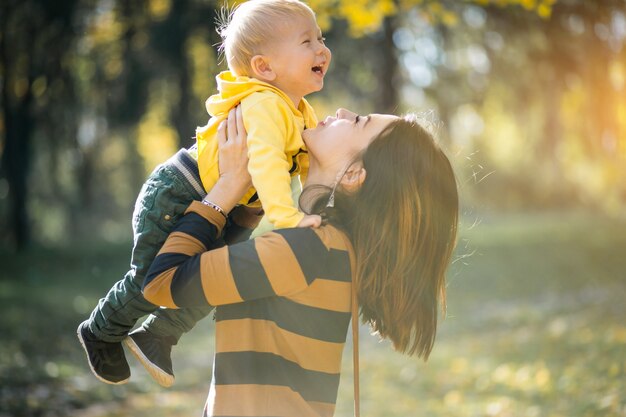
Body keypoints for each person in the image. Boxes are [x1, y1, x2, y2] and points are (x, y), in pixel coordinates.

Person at [142, 106, 459, 417]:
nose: (343, 111)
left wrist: (227, 187)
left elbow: (162, 284)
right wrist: (250, 203)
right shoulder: (330, 250)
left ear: (352, 174)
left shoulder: (307, 250)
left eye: (359, 121)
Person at [77, 0, 331, 388]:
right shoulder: (265, 104)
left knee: (214, 278)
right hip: (180, 191)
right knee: (150, 279)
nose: (321, 49)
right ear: (264, 67)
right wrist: (288, 217)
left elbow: (307, 164)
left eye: (321, 38)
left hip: (224, 207)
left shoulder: (299, 112)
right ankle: (100, 329)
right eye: (306, 41)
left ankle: (158, 336)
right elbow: (264, 164)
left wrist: (316, 206)